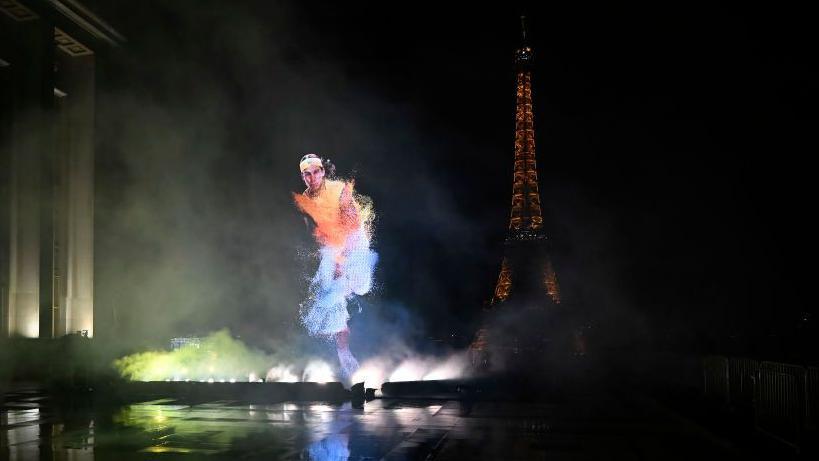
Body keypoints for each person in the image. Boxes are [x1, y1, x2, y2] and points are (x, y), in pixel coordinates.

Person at [293, 154, 377, 381]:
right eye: (307, 174)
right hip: (332, 244)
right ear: (303, 176)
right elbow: (315, 233)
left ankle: (349, 288)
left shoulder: (339, 190)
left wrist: (342, 261)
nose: (312, 178)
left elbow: (349, 227)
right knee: (326, 297)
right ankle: (344, 353)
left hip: (353, 241)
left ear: (322, 172)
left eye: (316, 172)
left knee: (359, 287)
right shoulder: (305, 199)